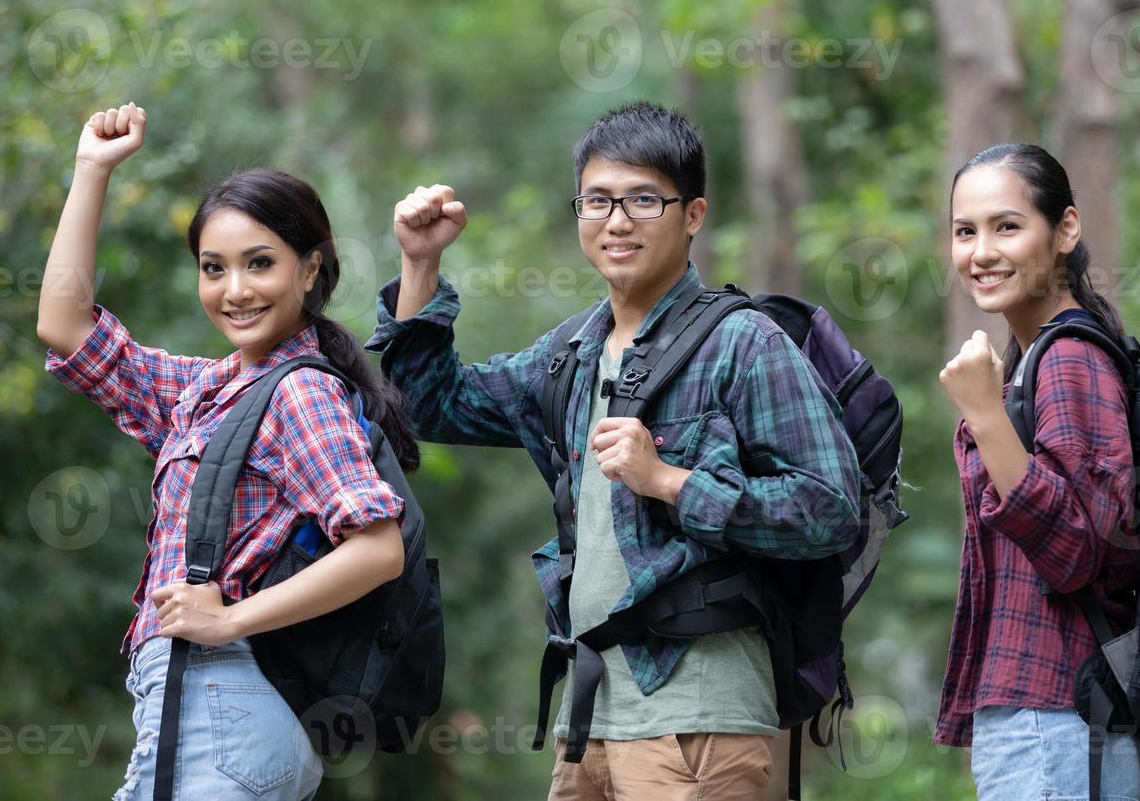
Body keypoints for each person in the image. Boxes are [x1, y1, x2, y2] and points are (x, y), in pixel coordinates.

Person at [366, 101, 861, 800]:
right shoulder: (572, 352)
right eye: (597, 200)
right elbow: (426, 406)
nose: (617, 220)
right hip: (589, 721)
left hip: (697, 722)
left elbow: (832, 509)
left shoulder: (742, 343)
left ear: (693, 215)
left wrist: (671, 482)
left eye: (643, 200)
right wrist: (420, 265)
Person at [37, 102, 411, 800]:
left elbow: (378, 548)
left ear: (310, 270)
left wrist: (228, 618)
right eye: (215, 268)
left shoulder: (299, 394)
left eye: (260, 264)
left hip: (226, 706)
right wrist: (91, 169)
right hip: (192, 706)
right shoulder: (207, 392)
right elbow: (65, 326)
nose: (234, 290)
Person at [933, 142, 1140, 800]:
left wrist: (983, 414)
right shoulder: (1035, 360)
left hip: (1055, 715)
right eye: (964, 232)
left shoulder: (1069, 361)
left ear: (1065, 230)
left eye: (1007, 226)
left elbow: (1077, 550)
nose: (981, 252)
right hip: (1050, 715)